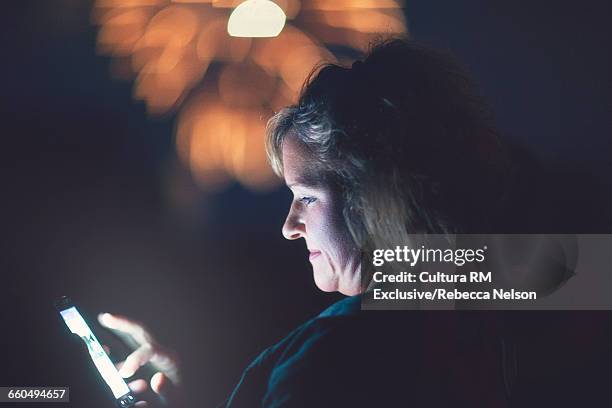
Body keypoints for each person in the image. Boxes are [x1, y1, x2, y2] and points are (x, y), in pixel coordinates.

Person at [97, 38, 532, 407]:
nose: (289, 226)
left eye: (306, 197)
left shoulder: (336, 356)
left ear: (374, 195)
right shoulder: (489, 309)